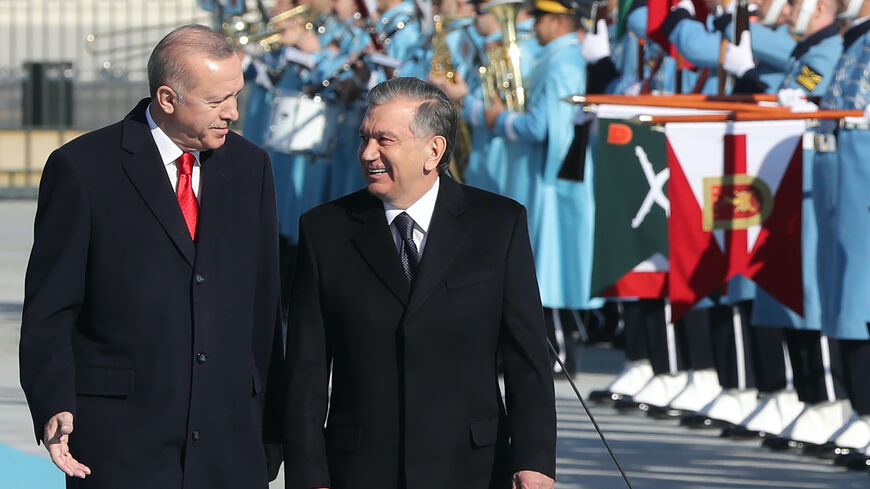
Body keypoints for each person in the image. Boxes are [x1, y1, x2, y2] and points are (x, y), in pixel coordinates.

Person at [18, 25, 283, 489]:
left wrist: (274, 425)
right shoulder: (82, 168)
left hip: (229, 439)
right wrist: (54, 401)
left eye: (236, 96)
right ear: (167, 98)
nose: (233, 113)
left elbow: (264, 308)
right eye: (217, 101)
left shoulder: (251, 166)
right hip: (119, 441)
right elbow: (50, 307)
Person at [282, 77, 556, 489]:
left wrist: (534, 460)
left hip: (470, 468)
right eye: (364, 138)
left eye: (384, 140)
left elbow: (528, 357)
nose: (367, 153)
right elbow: (306, 371)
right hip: (361, 469)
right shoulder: (325, 230)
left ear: (434, 150)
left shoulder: (498, 225)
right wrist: (308, 476)